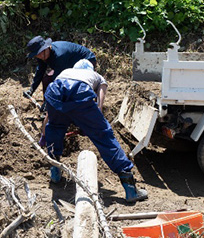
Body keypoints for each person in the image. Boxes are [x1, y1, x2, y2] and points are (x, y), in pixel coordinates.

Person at [44, 59, 148, 203]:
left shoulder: (65, 72)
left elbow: (51, 114)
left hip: (54, 91)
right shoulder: (97, 77)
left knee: (55, 128)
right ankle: (130, 189)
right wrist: (91, 124)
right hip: (80, 92)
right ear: (91, 69)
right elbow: (99, 104)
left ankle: (55, 173)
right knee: (104, 136)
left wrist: (45, 133)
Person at [24, 36, 97, 146]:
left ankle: (81, 119)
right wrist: (31, 89)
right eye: (37, 55)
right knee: (46, 80)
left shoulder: (60, 55)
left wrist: (48, 101)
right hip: (68, 64)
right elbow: (40, 71)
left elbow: (58, 82)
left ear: (47, 47)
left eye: (41, 53)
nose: (40, 57)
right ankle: (49, 109)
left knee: (71, 89)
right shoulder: (42, 55)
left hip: (86, 61)